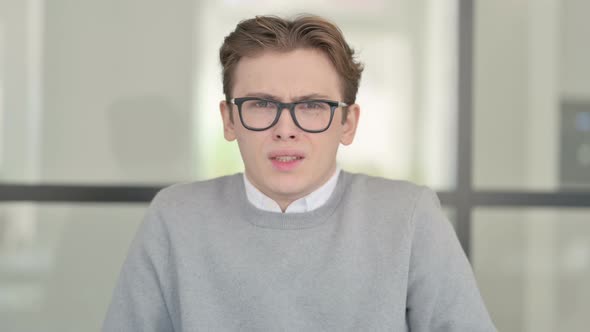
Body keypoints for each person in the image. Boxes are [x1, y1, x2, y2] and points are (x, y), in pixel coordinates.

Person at [103, 14, 496, 331]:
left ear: (347, 123)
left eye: (311, 106)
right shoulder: (175, 217)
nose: (285, 128)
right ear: (229, 120)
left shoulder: (410, 217)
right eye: (261, 104)